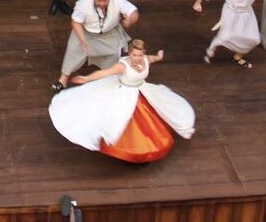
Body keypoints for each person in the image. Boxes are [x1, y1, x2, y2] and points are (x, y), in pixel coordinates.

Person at [49, 39, 195, 163]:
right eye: (133, 54)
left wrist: (159, 56)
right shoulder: (123, 65)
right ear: (129, 53)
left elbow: (153, 59)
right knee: (121, 118)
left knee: (152, 117)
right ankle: (126, 148)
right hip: (125, 93)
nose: (136, 58)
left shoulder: (145, 59)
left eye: (139, 55)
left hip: (142, 91)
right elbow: (105, 72)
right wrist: (86, 78)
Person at [51, 0, 138, 92]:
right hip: (85, 32)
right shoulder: (84, 2)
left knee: (113, 56)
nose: (101, 3)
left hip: (109, 33)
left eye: (104, 1)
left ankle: (110, 80)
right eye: (98, 1)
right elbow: (76, 22)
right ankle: (62, 80)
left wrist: (130, 20)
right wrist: (83, 41)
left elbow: (133, 12)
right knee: (73, 50)